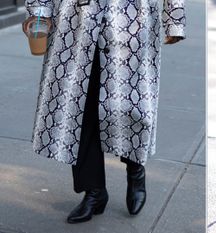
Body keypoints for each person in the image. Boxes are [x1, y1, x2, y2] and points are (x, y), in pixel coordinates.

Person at [24, 0, 185, 223]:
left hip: (132, 22)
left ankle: (135, 167)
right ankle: (94, 191)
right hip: (76, 22)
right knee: (81, 108)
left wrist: (174, 19)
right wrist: (40, 12)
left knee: (129, 106)